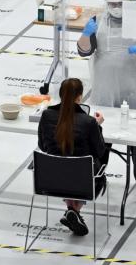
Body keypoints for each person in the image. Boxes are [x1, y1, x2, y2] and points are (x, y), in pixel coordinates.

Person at [77, 0, 136, 196]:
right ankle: (96, 174)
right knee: (99, 132)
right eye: (111, 3)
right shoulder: (97, 21)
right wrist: (86, 35)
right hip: (105, 87)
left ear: (129, 2)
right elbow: (84, 52)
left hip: (132, 86)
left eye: (119, 4)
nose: (115, 8)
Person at [39, 78, 109, 236]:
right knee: (89, 167)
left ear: (61, 95)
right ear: (79, 97)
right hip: (83, 182)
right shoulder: (89, 122)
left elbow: (43, 146)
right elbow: (100, 152)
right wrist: (98, 126)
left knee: (68, 169)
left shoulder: (46, 115)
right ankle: (74, 210)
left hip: (51, 180)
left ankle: (72, 211)